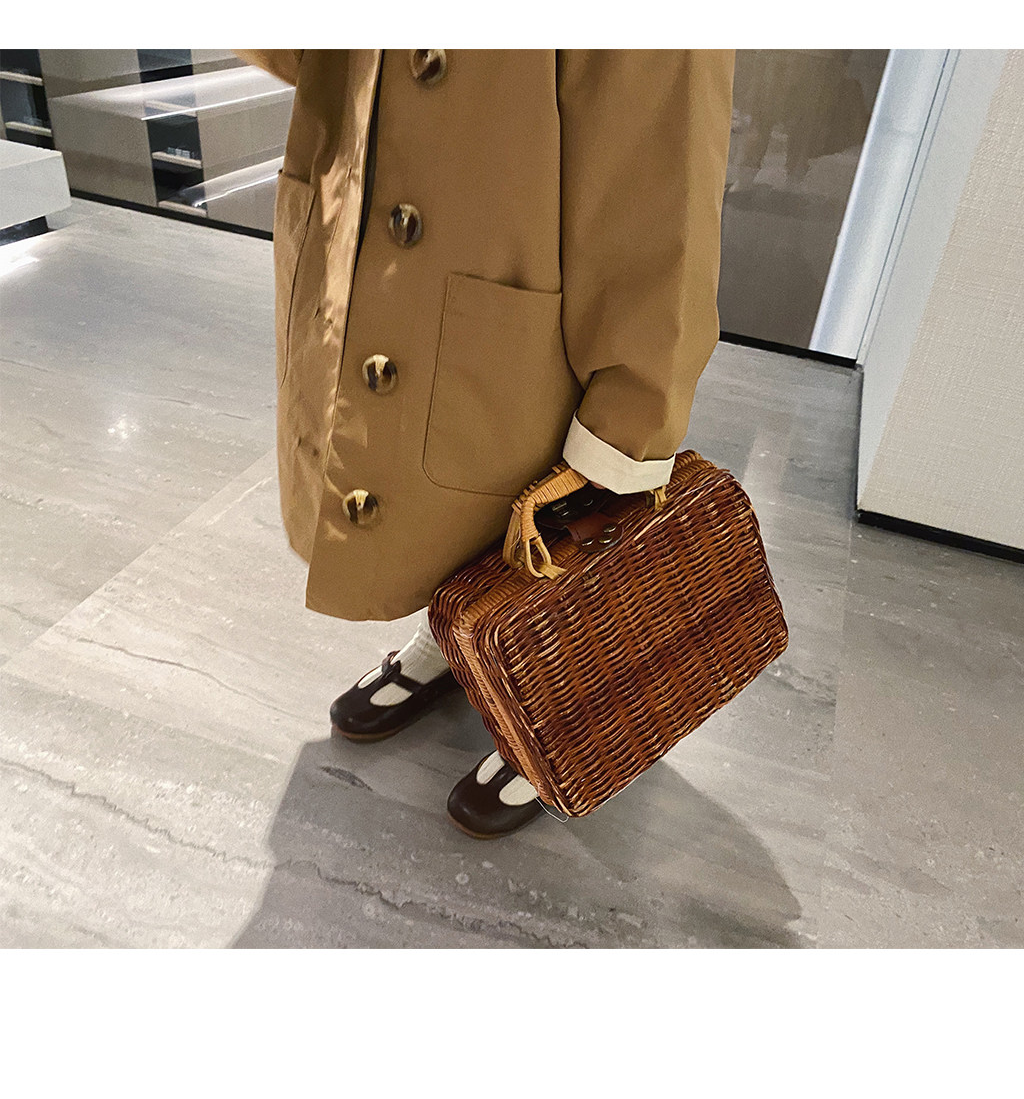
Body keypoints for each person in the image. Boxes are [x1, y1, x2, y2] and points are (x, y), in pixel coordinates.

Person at [234, 49, 736, 838]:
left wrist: (632, 418)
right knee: (436, 503)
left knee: (545, 507)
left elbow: (659, 168)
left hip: (527, 258)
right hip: (380, 234)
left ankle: (564, 692)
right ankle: (457, 635)